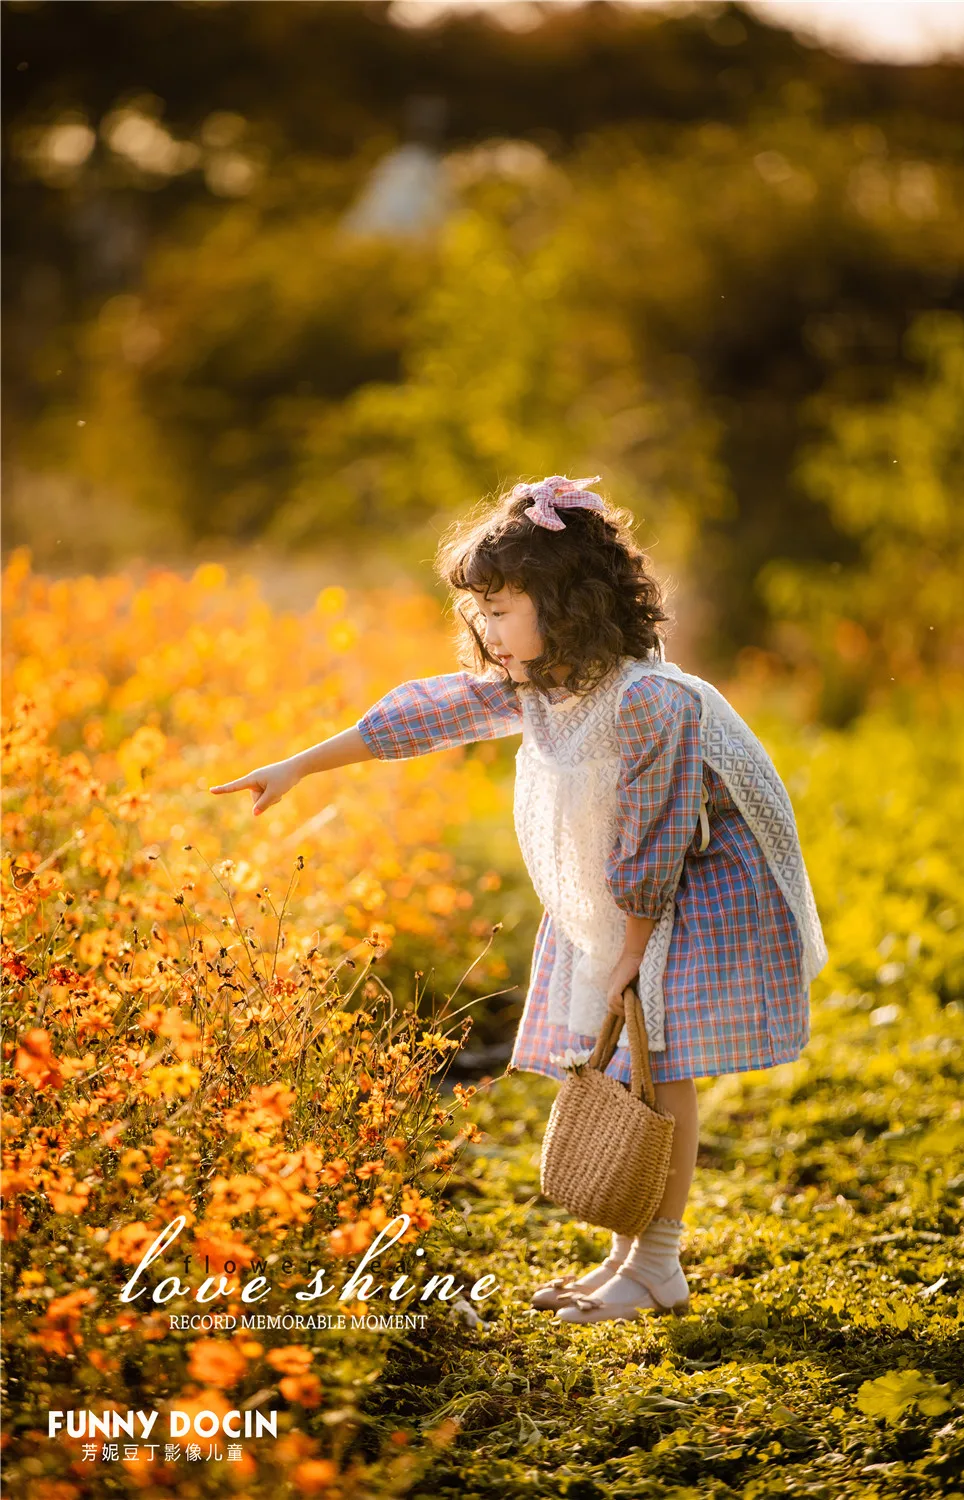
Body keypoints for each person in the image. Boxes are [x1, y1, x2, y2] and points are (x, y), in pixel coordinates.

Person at [210, 475, 827, 1326]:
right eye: (480, 611)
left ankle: (658, 1262)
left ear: (568, 602)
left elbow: (657, 837)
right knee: (630, 1059)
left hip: (710, 879)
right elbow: (423, 714)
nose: (485, 630)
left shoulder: (648, 701)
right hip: (644, 881)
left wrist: (629, 953)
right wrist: (301, 765)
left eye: (502, 609)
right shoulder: (538, 683)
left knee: (662, 1060)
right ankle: (629, 1256)